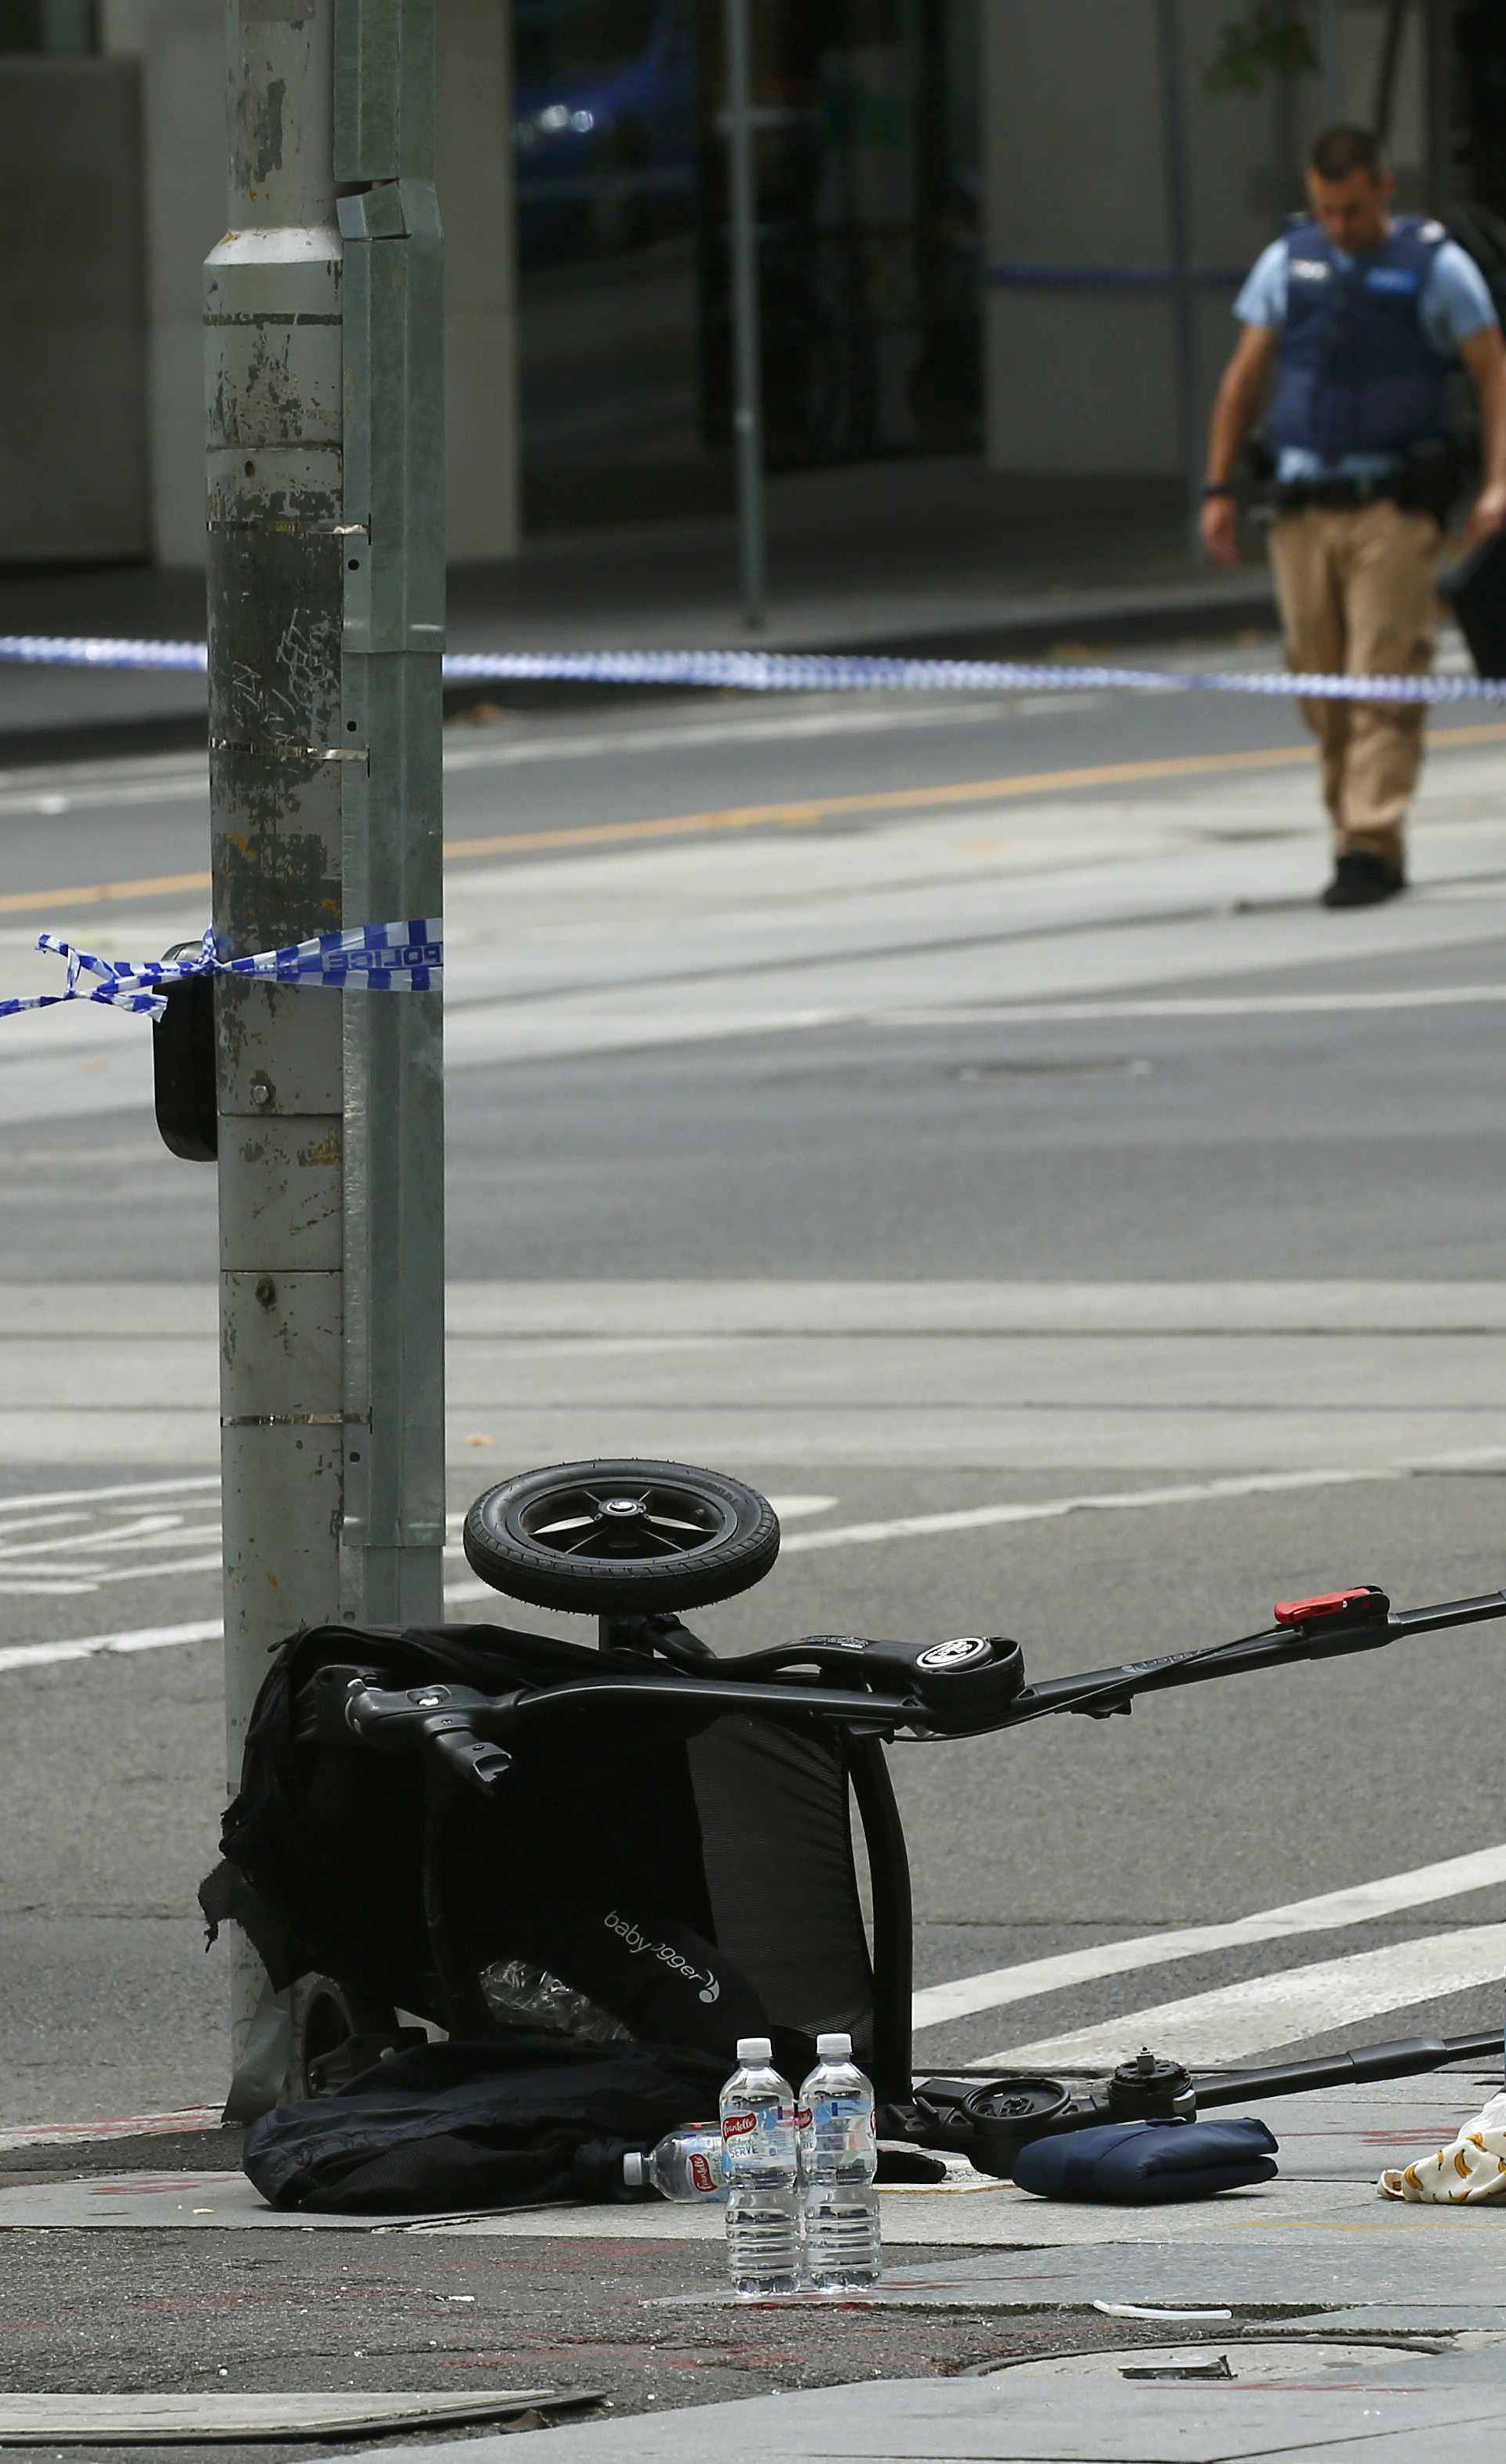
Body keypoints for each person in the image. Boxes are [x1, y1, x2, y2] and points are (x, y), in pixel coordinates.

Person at [1202, 125, 1506, 909]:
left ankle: (1368, 842)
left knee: (1385, 675)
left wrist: (1498, 484)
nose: (1342, 227)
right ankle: (1355, 832)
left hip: (1393, 510)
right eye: (1329, 211)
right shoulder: (1288, 264)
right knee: (1320, 680)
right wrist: (1219, 488)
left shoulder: (1437, 270)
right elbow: (1244, 379)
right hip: (1302, 509)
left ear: (1384, 189)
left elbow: (1494, 375)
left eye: (1355, 210)